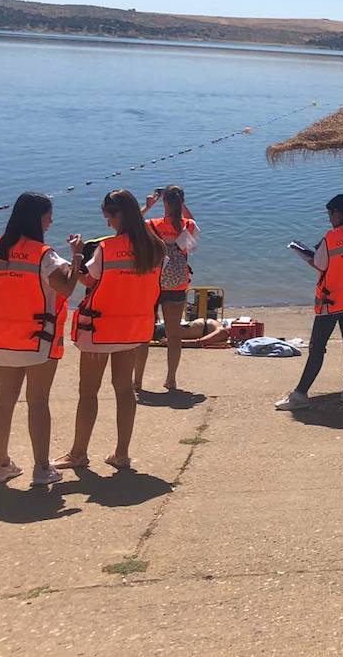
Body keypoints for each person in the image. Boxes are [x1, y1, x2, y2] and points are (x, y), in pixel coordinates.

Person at [55, 190, 163, 472]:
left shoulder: (107, 249)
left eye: (109, 218)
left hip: (100, 329)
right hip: (133, 329)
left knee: (88, 392)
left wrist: (76, 256)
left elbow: (88, 281)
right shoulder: (155, 246)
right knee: (124, 389)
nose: (107, 224)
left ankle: (78, 453)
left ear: (119, 216)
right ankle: (122, 453)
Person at [0, 192, 83, 486]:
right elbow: (65, 288)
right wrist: (76, 257)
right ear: (38, 217)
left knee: (3, 401)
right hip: (37, 337)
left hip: (1, 336)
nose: (51, 221)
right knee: (37, 403)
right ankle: (41, 469)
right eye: (49, 215)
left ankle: (0, 465)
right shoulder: (43, 254)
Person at [275, 194, 343, 411]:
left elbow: (320, 264)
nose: (329, 219)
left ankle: (300, 394)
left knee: (317, 348)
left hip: (331, 300)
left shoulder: (332, 237)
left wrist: (305, 255)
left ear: (339, 214)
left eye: (330, 214)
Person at [134, 185, 200, 392]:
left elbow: (130, 225)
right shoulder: (188, 225)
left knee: (144, 333)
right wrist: (183, 208)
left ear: (164, 203)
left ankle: (137, 381)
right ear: (181, 202)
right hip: (177, 285)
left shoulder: (151, 224)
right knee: (174, 335)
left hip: (153, 283)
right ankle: (171, 379)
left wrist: (147, 206)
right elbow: (191, 244)